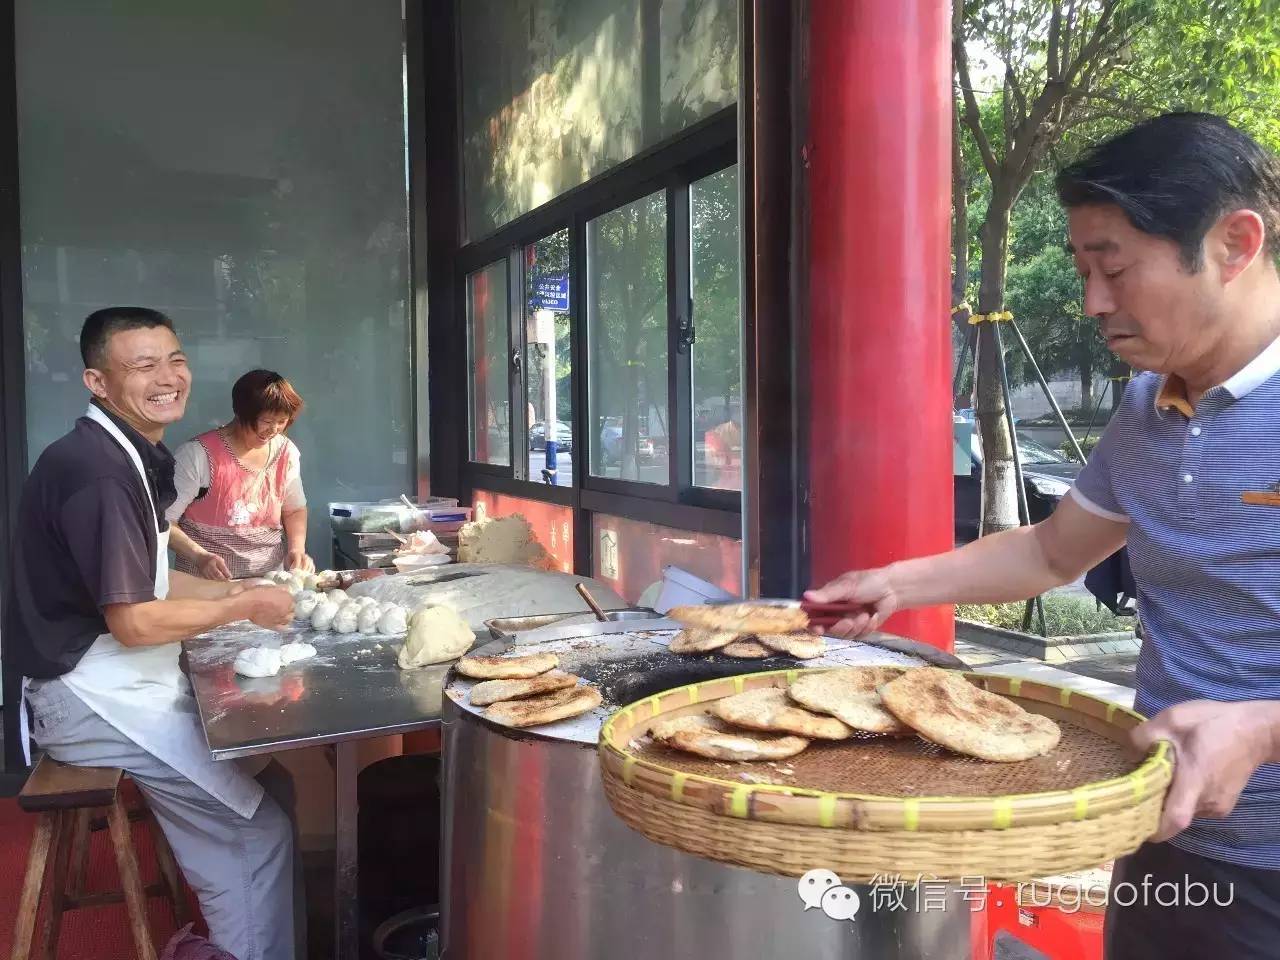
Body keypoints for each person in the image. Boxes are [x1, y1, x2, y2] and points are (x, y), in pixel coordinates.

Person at [809, 113, 1280, 959]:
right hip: (1161, 835)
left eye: (1116, 268)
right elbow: (1052, 552)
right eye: (1083, 268)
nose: (1095, 301)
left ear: (1234, 244)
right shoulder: (1147, 410)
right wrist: (896, 584)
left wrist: (1265, 729)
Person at [4, 307, 302, 960]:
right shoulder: (100, 472)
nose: (167, 377)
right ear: (97, 382)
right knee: (259, 831)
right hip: (85, 695)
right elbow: (136, 620)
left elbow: (151, 586)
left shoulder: (124, 453)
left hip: (116, 675)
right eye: (142, 365)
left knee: (269, 774)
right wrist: (242, 604)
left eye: (175, 359)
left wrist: (236, 593)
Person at [167, 369, 312, 580]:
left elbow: (294, 509)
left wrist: (296, 549)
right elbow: (164, 521)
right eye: (266, 421)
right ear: (242, 412)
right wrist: (199, 557)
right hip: (205, 584)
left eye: (282, 422)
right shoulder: (197, 455)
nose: (274, 430)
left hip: (268, 581)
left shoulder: (286, 452)